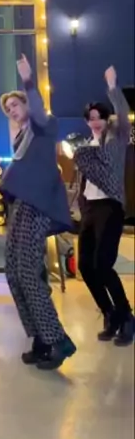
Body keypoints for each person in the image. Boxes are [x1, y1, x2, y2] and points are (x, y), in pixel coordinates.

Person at [0, 55, 76, 370]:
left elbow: (40, 111)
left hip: (39, 205)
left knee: (29, 272)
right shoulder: (21, 139)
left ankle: (58, 340)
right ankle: (41, 338)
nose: (12, 111)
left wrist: (28, 81)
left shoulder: (45, 127)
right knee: (13, 272)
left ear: (27, 105)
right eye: (8, 109)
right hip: (21, 205)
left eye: (15, 105)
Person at [74, 66, 134, 346]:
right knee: (86, 266)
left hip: (110, 207)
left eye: (99, 117)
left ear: (107, 119)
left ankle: (127, 317)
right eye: (91, 118)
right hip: (90, 208)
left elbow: (122, 113)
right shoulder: (88, 143)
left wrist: (112, 86)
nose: (95, 122)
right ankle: (110, 314)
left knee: (103, 264)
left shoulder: (116, 137)